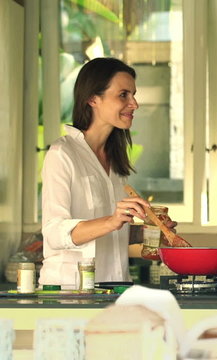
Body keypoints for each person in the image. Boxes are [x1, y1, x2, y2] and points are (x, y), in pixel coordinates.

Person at [40, 57, 175, 288]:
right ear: (93, 98)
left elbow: (111, 230)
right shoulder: (62, 153)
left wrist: (147, 232)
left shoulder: (115, 160)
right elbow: (53, 232)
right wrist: (112, 221)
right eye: (123, 95)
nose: (134, 104)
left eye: (133, 94)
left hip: (115, 287)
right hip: (70, 291)